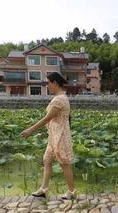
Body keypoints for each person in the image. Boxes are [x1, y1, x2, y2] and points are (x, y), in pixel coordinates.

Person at [21, 72, 76, 200]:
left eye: (48, 83)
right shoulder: (61, 97)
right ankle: (44, 189)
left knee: (64, 163)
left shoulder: (59, 99)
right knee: (47, 160)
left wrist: (30, 130)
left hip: (60, 136)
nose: (47, 86)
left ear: (55, 83)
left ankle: (72, 191)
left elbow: (47, 118)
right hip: (54, 136)